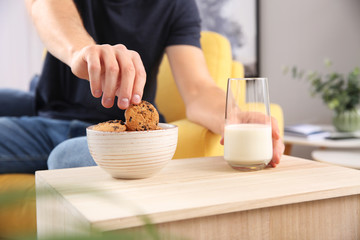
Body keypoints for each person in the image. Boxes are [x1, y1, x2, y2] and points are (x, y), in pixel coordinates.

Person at [0, 0, 284, 174]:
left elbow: (198, 90)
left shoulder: (176, 5)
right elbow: (43, 6)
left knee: (66, 157)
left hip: (103, 128)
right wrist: (81, 51)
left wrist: (232, 115)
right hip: (45, 101)